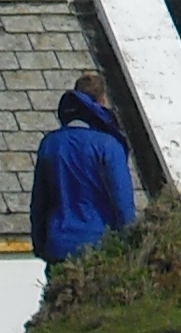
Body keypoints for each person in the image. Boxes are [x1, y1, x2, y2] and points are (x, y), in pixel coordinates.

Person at [29, 75, 136, 261]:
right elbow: (123, 201)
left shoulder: (50, 144)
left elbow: (39, 203)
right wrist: (130, 247)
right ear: (102, 101)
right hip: (99, 246)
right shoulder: (108, 146)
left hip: (58, 246)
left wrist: (40, 245)